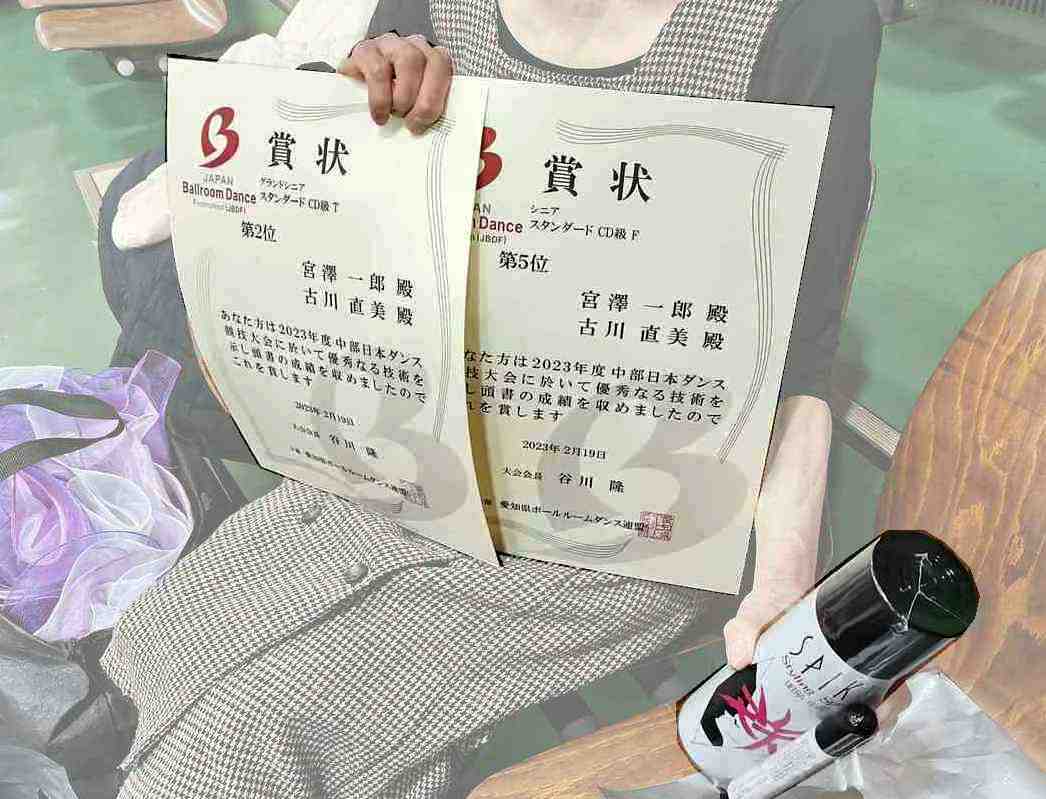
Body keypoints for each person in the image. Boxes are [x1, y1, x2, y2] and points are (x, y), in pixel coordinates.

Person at [98, 1, 883, 796]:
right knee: (151, 644)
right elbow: (370, 219)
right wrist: (358, 107)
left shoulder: (806, 25)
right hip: (412, 446)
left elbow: (801, 353)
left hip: (622, 517)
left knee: (243, 746)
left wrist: (783, 582)